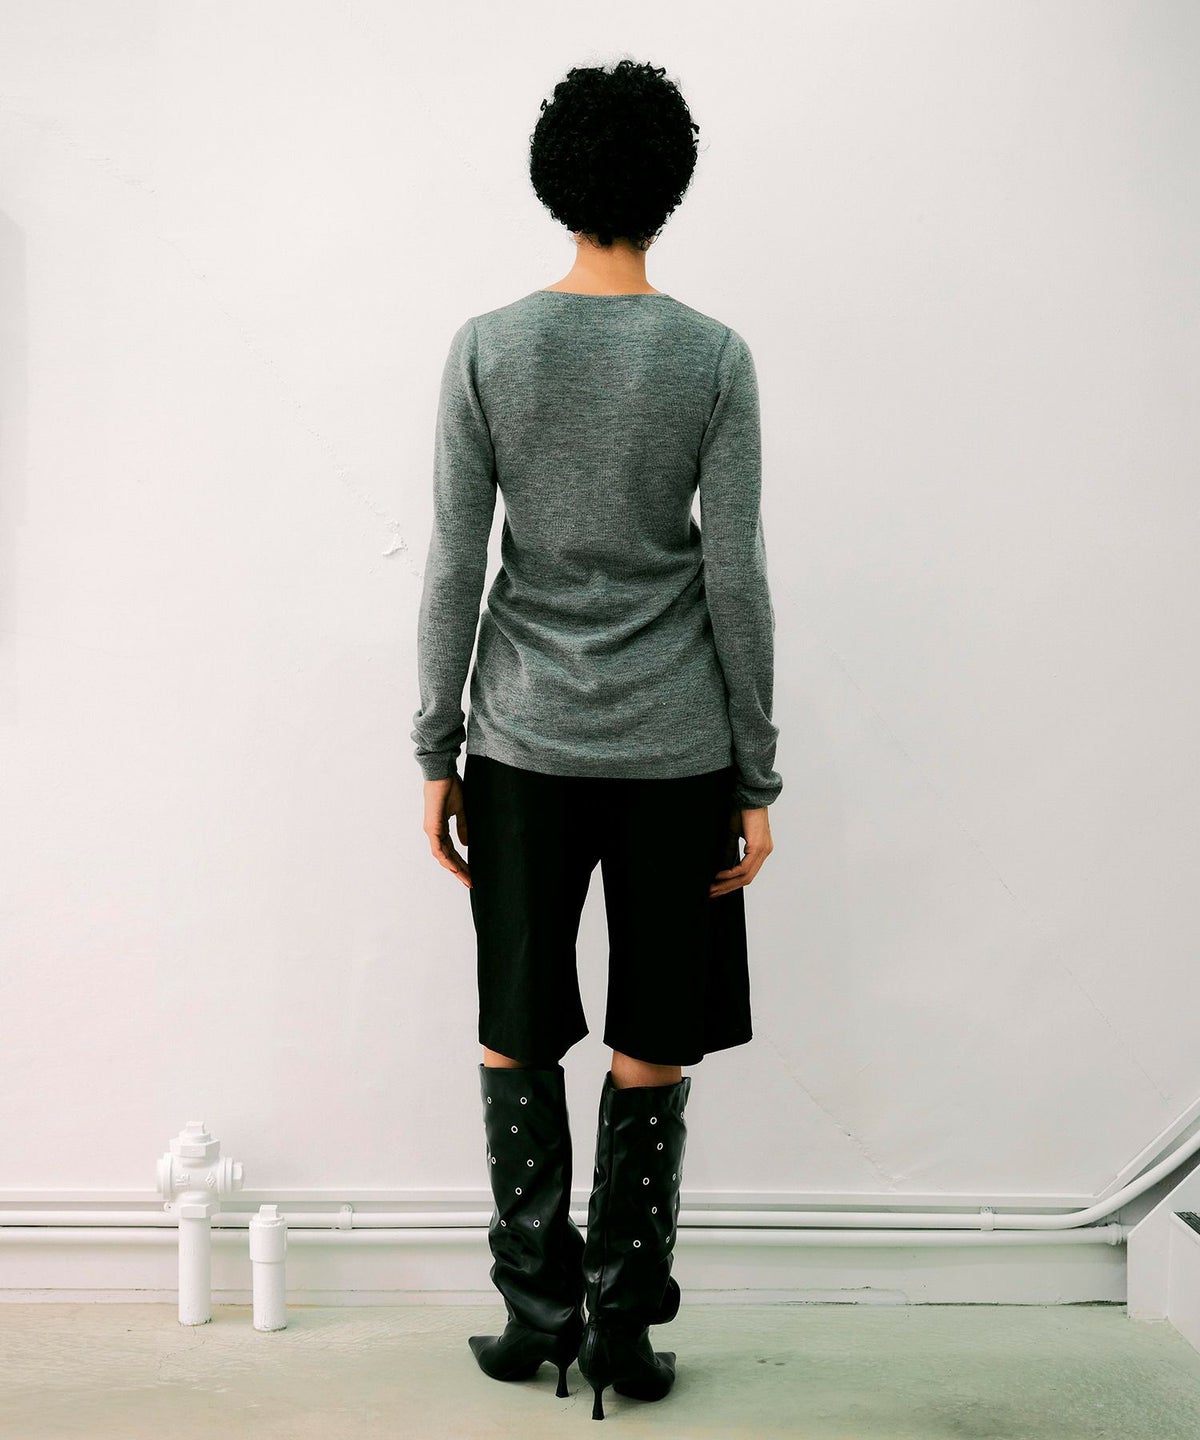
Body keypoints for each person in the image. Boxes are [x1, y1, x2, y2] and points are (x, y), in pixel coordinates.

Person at [410, 58, 782, 1421]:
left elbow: (456, 565)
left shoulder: (488, 348)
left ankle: (536, 1318)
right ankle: (623, 1332)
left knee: (517, 1025)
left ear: (553, 179)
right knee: (655, 1030)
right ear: (668, 186)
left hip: (519, 743)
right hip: (678, 751)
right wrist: (756, 772)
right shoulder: (713, 357)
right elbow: (735, 579)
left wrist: (437, 749)